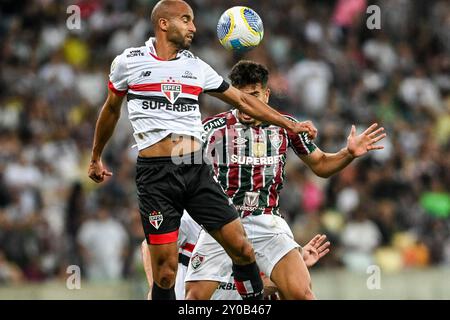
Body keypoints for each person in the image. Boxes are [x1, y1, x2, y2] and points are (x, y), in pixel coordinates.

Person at [87, 0, 317, 300]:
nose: (193, 27)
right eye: (186, 20)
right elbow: (111, 110)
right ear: (164, 24)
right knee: (166, 273)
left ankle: (254, 304)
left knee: (242, 247)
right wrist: (95, 155)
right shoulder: (128, 63)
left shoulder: (196, 67)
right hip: (156, 177)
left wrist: (287, 124)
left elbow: (244, 102)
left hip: (195, 169)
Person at [183, 60, 386, 300]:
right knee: (194, 299)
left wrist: (348, 153)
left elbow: (321, 165)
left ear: (267, 94)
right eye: (242, 96)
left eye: (255, 95)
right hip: (224, 222)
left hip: (266, 222)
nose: (247, 104)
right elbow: (181, 164)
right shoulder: (212, 128)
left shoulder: (286, 127)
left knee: (302, 294)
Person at [141, 211, 330, 299]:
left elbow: (261, 287)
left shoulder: (259, 227)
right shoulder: (193, 217)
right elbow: (149, 246)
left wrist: (294, 268)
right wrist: (156, 289)